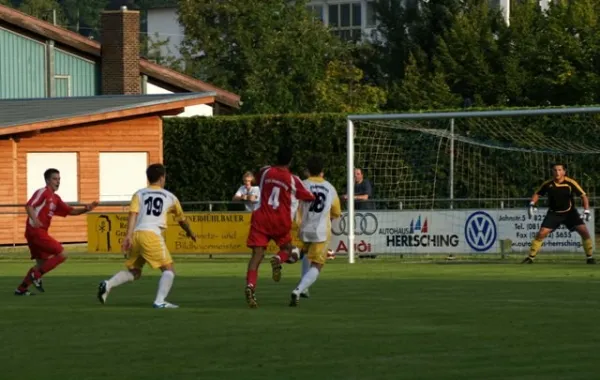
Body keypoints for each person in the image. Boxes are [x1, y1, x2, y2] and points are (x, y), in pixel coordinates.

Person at [97, 163, 197, 308]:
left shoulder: (139, 194)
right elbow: (182, 220)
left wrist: (128, 236)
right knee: (169, 270)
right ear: (162, 178)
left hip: (137, 235)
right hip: (151, 235)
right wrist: (190, 233)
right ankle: (160, 301)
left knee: (135, 272)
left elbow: (133, 214)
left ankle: (108, 284)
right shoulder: (170, 197)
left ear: (148, 178)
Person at [245, 146, 315, 308]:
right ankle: (278, 259)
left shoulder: (265, 171)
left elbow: (255, 177)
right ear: (290, 161)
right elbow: (309, 196)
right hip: (280, 221)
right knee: (291, 251)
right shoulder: (293, 179)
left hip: (261, 218)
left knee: (257, 255)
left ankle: (250, 286)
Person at [15, 168, 99, 296]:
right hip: (36, 231)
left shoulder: (55, 198)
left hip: (38, 232)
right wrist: (35, 219)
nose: (58, 182)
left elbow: (70, 211)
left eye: (59, 179)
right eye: (55, 179)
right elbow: (29, 206)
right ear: (48, 180)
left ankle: (21, 289)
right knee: (62, 254)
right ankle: (36, 275)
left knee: (42, 263)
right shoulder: (42, 192)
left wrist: (85, 209)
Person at [290, 156, 341, 306]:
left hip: (303, 227)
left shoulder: (303, 185)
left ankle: (304, 288)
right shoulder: (330, 187)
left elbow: (293, 204)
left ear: (308, 170)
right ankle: (298, 290)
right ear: (322, 171)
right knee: (318, 264)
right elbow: (337, 212)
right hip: (320, 231)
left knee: (305, 254)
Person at [523, 163, 595, 264]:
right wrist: (531, 204)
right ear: (552, 172)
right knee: (541, 233)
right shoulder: (547, 184)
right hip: (554, 213)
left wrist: (586, 210)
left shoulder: (570, 183)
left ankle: (590, 257)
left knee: (584, 232)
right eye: (555, 170)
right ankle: (530, 258)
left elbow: (583, 196)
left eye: (560, 170)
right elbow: (537, 194)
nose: (557, 172)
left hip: (570, 213)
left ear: (564, 172)